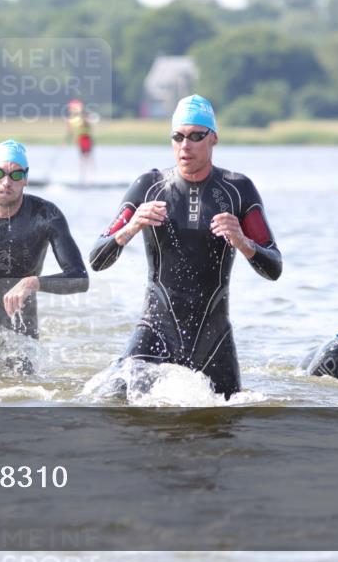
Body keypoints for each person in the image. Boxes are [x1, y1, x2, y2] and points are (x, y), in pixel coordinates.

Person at [88, 95, 282, 399]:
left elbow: (274, 268)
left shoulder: (237, 190)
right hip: (155, 330)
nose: (185, 145)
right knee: (109, 400)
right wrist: (131, 227)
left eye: (195, 136)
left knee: (229, 420)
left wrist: (243, 243)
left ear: (214, 138)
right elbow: (97, 258)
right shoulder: (149, 186)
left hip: (213, 339)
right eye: (177, 137)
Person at [0, 140, 88, 372]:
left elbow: (79, 278)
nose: (6, 182)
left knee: (22, 390)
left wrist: (32, 282)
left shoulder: (46, 216)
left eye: (16, 175)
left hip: (20, 326)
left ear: (25, 178)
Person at [66, 99, 95, 184]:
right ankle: (82, 178)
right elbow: (70, 130)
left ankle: (91, 179)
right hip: (80, 140)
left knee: (89, 158)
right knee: (82, 159)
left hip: (86, 139)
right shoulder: (73, 119)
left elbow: (87, 124)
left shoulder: (84, 117)